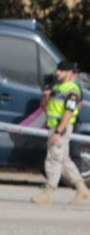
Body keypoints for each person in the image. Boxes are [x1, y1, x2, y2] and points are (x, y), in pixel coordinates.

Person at [30, 59, 88, 205]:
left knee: (53, 159)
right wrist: (45, 95)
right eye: (58, 70)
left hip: (61, 128)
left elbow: (69, 112)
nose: (58, 73)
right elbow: (45, 107)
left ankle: (48, 193)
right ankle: (82, 189)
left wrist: (58, 131)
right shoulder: (57, 87)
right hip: (53, 126)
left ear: (69, 73)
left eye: (61, 70)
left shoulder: (72, 89)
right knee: (64, 160)